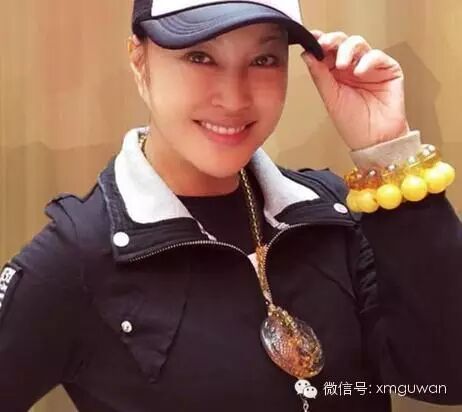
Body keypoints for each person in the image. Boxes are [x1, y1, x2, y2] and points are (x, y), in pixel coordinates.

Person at [0, 1, 461, 411]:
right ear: (140, 61)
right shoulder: (77, 257)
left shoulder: (332, 214)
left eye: (263, 59)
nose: (235, 98)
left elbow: (446, 378)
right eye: (199, 56)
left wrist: (387, 150)